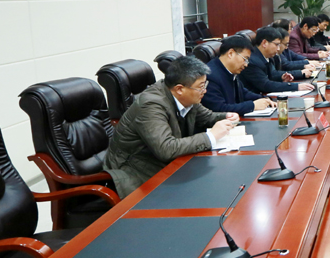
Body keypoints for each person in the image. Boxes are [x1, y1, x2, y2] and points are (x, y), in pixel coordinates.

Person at [103, 56, 236, 197]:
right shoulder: (151, 105)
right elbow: (166, 149)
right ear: (180, 89)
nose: (205, 91)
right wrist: (211, 137)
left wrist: (227, 116)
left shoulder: (185, 96)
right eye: (201, 86)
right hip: (136, 171)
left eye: (205, 84)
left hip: (167, 163)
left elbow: (207, 117)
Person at [201, 35, 274, 115]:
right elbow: (219, 109)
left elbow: (243, 93)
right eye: (245, 59)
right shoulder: (210, 76)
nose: (246, 64)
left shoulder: (230, 70)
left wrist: (264, 99)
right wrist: (253, 106)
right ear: (230, 53)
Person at [241, 27, 315, 94]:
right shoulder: (253, 61)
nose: (278, 49)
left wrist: (282, 77)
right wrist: (296, 86)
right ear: (264, 43)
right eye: (276, 45)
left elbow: (272, 74)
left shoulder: (267, 56)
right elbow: (266, 85)